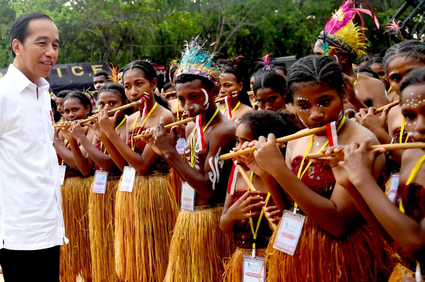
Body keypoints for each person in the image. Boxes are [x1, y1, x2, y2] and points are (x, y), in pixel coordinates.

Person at [245, 55, 396, 281]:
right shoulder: (297, 139)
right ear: (292, 103)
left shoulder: (362, 142)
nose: (315, 114)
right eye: (303, 106)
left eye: (325, 102)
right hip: (299, 254)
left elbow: (337, 224)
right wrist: (265, 172)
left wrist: (279, 170)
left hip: (343, 258)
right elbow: (290, 208)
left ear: (343, 94)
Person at [0, 12, 65, 282]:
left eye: (55, 45)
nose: (50, 52)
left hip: (49, 226)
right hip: (18, 233)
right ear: (17, 46)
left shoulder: (43, 94)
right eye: (41, 43)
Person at [147, 36, 236, 281]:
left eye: (195, 97)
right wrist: (160, 148)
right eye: (182, 99)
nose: (187, 107)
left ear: (215, 92)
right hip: (189, 216)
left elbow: (208, 189)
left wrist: (171, 153)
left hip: (210, 219)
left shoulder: (223, 132)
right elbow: (190, 171)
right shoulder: (190, 128)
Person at [329, 66, 425, 282]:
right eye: (409, 116)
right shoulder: (411, 156)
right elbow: (392, 235)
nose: (420, 127)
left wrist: (363, 179)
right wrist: (350, 183)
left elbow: (418, 246)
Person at [97, 60, 179, 282]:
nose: (133, 92)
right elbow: (123, 166)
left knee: (155, 255)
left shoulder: (164, 117)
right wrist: (105, 134)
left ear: (153, 84)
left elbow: (142, 166)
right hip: (131, 192)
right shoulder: (131, 118)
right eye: (127, 86)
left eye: (139, 84)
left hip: (155, 192)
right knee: (135, 258)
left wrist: (110, 134)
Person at [220, 110, 296, 282]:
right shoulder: (236, 173)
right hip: (244, 260)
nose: (238, 149)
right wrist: (232, 214)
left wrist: (264, 174)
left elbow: (288, 217)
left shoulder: (282, 173)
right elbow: (224, 225)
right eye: (237, 141)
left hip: (279, 260)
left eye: (245, 142)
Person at [69, 82, 130, 282]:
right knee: (102, 243)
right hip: (99, 190)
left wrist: (86, 139)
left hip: (119, 190)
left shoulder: (127, 125)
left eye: (113, 103)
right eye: (102, 104)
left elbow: (110, 164)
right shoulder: (98, 126)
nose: (106, 109)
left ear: (125, 102)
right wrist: (72, 141)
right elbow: (86, 167)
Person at [355, 40, 425, 164]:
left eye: (413, 73)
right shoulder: (393, 112)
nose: (405, 83)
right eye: (396, 78)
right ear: (388, 80)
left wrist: (380, 134)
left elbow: (419, 166)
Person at [315, 0, 389, 110]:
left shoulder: (372, 85)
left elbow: (385, 125)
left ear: (343, 57)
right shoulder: (316, 89)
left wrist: (354, 100)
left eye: (320, 54)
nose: (316, 60)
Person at [53, 91, 94, 282]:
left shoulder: (90, 129)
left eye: (75, 110)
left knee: (87, 238)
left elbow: (79, 164)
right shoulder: (61, 129)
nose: (70, 115)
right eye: (67, 110)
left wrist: (56, 142)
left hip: (85, 189)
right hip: (64, 190)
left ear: (87, 109)